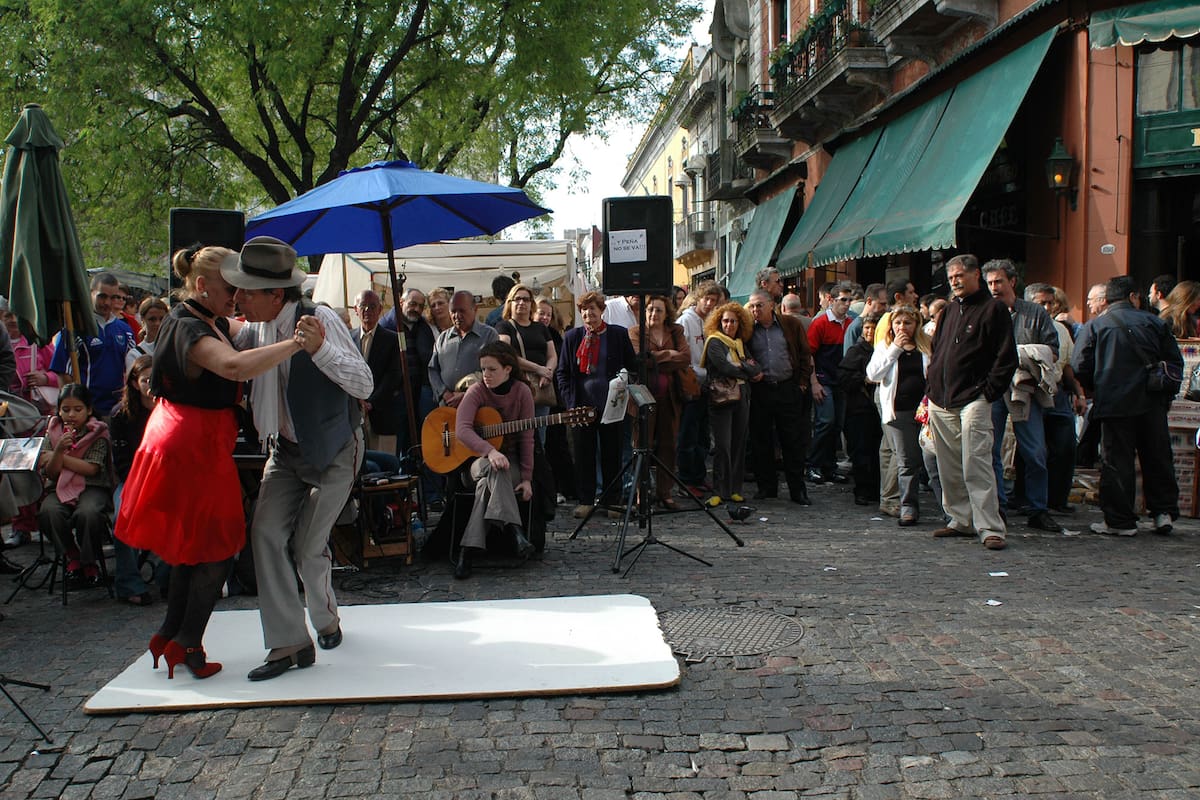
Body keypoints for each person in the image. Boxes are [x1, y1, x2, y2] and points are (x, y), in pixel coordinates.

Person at [116, 244, 307, 680]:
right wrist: (295, 343)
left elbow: (251, 325)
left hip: (192, 439)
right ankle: (185, 641)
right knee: (218, 549)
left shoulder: (208, 318)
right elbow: (237, 368)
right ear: (201, 286)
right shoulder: (188, 328)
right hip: (190, 445)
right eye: (230, 287)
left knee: (193, 548)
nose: (238, 295)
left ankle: (173, 636)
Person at [225, 236, 374, 681]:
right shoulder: (256, 326)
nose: (238, 297)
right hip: (285, 452)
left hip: (334, 449)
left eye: (246, 290)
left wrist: (322, 350)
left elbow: (364, 386)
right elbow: (227, 336)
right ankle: (290, 643)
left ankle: (325, 619)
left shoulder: (320, 317)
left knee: (309, 544)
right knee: (265, 533)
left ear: (275, 294)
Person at [1073, 276, 1183, 536]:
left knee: (1117, 460)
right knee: (1157, 456)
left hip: (1113, 402)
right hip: (1151, 401)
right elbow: (1174, 362)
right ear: (1133, 296)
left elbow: (1080, 365)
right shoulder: (1154, 322)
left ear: (1108, 299)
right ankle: (1162, 513)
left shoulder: (1096, 326)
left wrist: (1097, 384)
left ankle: (1120, 521)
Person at [925, 254, 1016, 550]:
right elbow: (937, 351)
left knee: (976, 461)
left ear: (976, 274)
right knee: (949, 465)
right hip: (941, 397)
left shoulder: (994, 309)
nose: (954, 281)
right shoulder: (949, 310)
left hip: (974, 397)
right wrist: (931, 389)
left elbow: (1006, 356)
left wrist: (988, 391)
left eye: (960, 275)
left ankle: (990, 526)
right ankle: (960, 520)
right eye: (951, 278)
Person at [982, 259, 1063, 534]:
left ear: (1012, 282)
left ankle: (1037, 509)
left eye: (998, 282)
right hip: (992, 389)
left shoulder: (1035, 313)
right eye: (990, 282)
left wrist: (1026, 354)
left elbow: (1053, 350)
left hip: (1025, 388)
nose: (994, 287)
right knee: (990, 450)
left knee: (1035, 451)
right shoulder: (984, 311)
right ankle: (998, 509)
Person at [452, 341, 536, 579]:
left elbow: (527, 438)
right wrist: (489, 451)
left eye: (492, 369)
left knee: (493, 476)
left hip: (511, 464)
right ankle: (515, 531)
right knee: (492, 468)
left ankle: (467, 550)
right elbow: (462, 430)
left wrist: (528, 479)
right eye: (483, 369)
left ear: (508, 369)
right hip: (476, 461)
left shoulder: (522, 392)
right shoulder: (477, 390)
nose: (486, 375)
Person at [555, 291, 636, 518]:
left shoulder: (618, 335)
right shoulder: (572, 337)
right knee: (583, 455)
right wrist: (571, 403)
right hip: (582, 408)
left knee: (613, 453)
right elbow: (563, 373)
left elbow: (631, 366)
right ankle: (586, 500)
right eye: (584, 310)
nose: (588, 313)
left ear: (602, 311)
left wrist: (623, 385)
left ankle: (612, 501)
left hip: (612, 406)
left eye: (593, 309)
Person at [37, 384, 112, 588]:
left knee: (88, 513)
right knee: (48, 511)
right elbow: (50, 472)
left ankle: (90, 561)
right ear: (59, 410)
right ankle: (72, 556)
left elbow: (91, 469)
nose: (71, 415)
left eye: (78, 410)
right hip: (58, 486)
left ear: (88, 410)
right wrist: (59, 450)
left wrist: (59, 457)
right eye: (66, 409)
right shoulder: (52, 432)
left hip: (92, 486)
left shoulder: (98, 432)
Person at [745, 288, 813, 505]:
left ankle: (797, 489)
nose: (755, 310)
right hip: (761, 390)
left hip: (787, 388)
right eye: (752, 306)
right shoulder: (748, 330)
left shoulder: (790, 325)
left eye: (759, 305)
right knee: (761, 440)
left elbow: (804, 354)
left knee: (792, 440)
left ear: (771, 305)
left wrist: (802, 383)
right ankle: (767, 487)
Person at [109, 355, 168, 606]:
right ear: (135, 383)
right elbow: (122, 462)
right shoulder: (121, 415)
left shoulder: (171, 409)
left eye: (155, 379)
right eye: (145, 380)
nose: (150, 385)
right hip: (133, 479)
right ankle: (129, 582)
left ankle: (169, 580)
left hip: (168, 479)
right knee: (123, 514)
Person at [866, 307, 931, 526]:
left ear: (916, 325)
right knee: (906, 460)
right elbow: (873, 374)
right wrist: (895, 349)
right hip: (898, 410)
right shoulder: (885, 346)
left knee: (930, 459)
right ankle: (908, 506)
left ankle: (948, 507)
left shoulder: (926, 346)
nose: (902, 327)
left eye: (907, 323)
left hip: (925, 410)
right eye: (898, 323)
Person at [39, 273, 135, 419]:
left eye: (113, 297)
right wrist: (77, 409)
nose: (107, 302)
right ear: (90, 293)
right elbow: (63, 373)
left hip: (117, 410)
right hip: (88, 412)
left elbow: (131, 371)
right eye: (102, 296)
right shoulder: (74, 330)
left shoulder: (125, 330)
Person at [629, 295, 690, 509]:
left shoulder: (676, 331)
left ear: (667, 314)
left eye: (659, 310)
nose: (654, 314)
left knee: (668, 444)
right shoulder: (636, 332)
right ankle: (641, 493)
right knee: (641, 445)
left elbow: (685, 358)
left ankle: (666, 493)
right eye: (650, 309)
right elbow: (639, 360)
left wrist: (655, 358)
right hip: (643, 398)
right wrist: (667, 355)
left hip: (671, 396)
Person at [700, 302, 761, 505]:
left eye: (733, 321)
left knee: (739, 443)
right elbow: (724, 367)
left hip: (742, 395)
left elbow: (756, 368)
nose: (729, 325)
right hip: (722, 397)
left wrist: (741, 366)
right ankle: (719, 490)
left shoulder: (740, 343)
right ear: (719, 322)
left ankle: (734, 489)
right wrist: (745, 368)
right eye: (725, 321)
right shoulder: (714, 342)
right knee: (723, 445)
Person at [676, 281, 721, 496]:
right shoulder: (686, 321)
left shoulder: (712, 321)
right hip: (692, 383)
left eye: (714, 300)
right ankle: (686, 479)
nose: (710, 304)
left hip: (708, 384)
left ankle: (699, 475)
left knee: (703, 435)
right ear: (699, 298)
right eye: (707, 299)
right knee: (688, 434)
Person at [806, 281, 853, 484]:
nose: (848, 304)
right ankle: (813, 465)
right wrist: (814, 382)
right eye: (844, 300)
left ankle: (829, 466)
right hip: (824, 379)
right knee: (825, 421)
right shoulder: (821, 323)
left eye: (850, 300)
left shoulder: (850, 323)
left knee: (836, 425)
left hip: (840, 380)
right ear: (832, 300)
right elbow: (809, 355)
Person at [496, 283, 557, 423]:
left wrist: (547, 373)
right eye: (517, 299)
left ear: (531, 304)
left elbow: (552, 355)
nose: (522, 302)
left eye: (526, 299)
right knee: (519, 436)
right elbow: (506, 355)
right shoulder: (504, 327)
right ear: (509, 303)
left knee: (540, 438)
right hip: (517, 389)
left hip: (542, 389)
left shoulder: (541, 328)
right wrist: (538, 368)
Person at [838, 313, 882, 507]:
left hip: (879, 409)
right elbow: (844, 378)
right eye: (867, 328)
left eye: (873, 328)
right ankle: (862, 490)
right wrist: (864, 379)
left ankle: (876, 489)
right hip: (860, 409)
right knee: (861, 451)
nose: (870, 332)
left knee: (877, 451)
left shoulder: (884, 350)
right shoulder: (856, 351)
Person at [535, 296, 576, 502]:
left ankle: (564, 487)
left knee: (557, 442)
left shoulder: (554, 336)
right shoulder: (532, 335)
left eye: (548, 314)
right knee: (546, 443)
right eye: (541, 313)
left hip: (555, 396)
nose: (544, 317)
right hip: (539, 395)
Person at [351, 289, 402, 453]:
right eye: (363, 306)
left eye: (373, 306)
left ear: (380, 310)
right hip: (352, 414)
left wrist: (371, 403)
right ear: (355, 309)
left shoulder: (392, 339)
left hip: (382, 412)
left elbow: (393, 376)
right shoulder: (347, 338)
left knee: (383, 466)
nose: (368, 311)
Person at [429, 291, 499, 408]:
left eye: (462, 311)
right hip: (447, 405)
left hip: (478, 404)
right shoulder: (442, 339)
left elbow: (494, 370)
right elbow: (433, 370)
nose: (457, 315)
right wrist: (444, 393)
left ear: (475, 309)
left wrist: (466, 395)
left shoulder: (489, 335)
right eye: (453, 311)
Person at [125, 297, 168, 374]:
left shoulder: (176, 348)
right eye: (152, 319)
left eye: (162, 319)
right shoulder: (135, 354)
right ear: (142, 320)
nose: (157, 323)